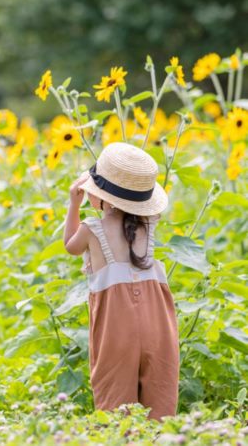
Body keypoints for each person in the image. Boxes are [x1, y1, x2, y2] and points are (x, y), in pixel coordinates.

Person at [63, 142, 180, 422]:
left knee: (115, 399)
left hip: (115, 325)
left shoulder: (92, 229)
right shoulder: (149, 222)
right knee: (159, 394)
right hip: (158, 322)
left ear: (100, 195)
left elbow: (69, 245)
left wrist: (74, 203)